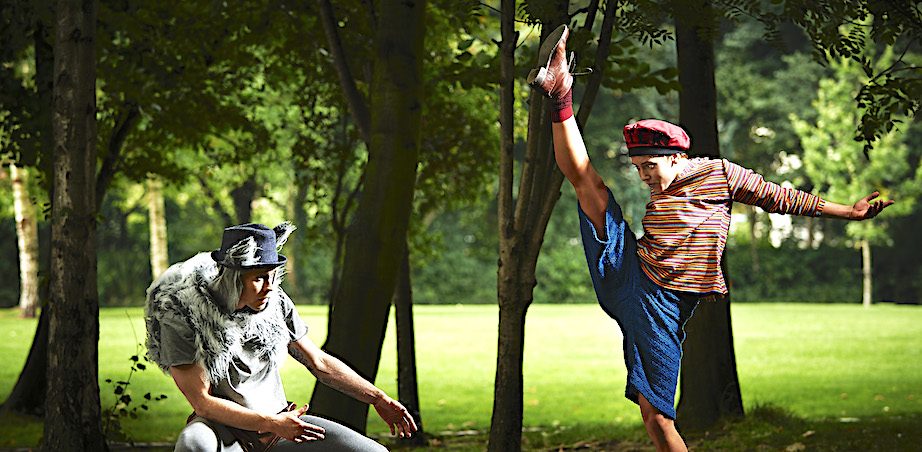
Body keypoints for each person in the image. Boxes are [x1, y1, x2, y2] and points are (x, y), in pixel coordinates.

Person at [528, 25, 895, 452]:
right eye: (639, 168)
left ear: (677, 156)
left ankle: (560, 91)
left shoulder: (719, 174)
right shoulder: (656, 186)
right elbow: (588, 179)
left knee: (655, 415)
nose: (645, 176)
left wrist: (848, 212)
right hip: (634, 269)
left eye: (651, 166)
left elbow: (781, 198)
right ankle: (560, 94)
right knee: (588, 185)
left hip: (665, 303)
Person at [145, 222, 417, 451]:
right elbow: (202, 403)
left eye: (274, 276)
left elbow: (319, 363)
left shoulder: (274, 302)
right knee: (193, 443)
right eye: (260, 278)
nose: (270, 288)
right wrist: (268, 422)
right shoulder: (182, 313)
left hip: (283, 425)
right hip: (224, 430)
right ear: (232, 276)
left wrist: (378, 398)